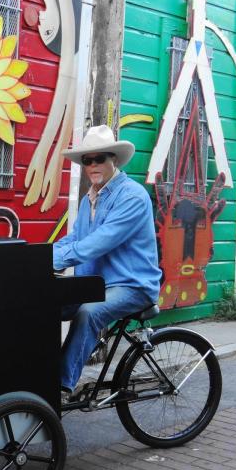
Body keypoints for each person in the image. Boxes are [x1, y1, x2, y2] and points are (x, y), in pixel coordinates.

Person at [53, 125, 161, 399]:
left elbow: (97, 243)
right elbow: (74, 239)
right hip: (96, 283)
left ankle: (60, 386)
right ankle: (34, 370)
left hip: (132, 285)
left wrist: (54, 260)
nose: (92, 165)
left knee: (88, 313)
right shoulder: (92, 197)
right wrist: (36, 257)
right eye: (87, 160)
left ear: (114, 159)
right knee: (42, 302)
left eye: (99, 158)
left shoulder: (132, 197)